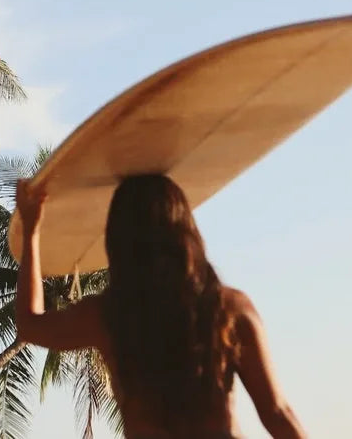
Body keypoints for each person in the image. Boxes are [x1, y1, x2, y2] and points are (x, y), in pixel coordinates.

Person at [15, 174, 307, 439]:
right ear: (185, 231)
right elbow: (277, 415)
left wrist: (32, 231)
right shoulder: (228, 308)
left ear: (118, 242)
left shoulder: (109, 316)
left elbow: (29, 324)